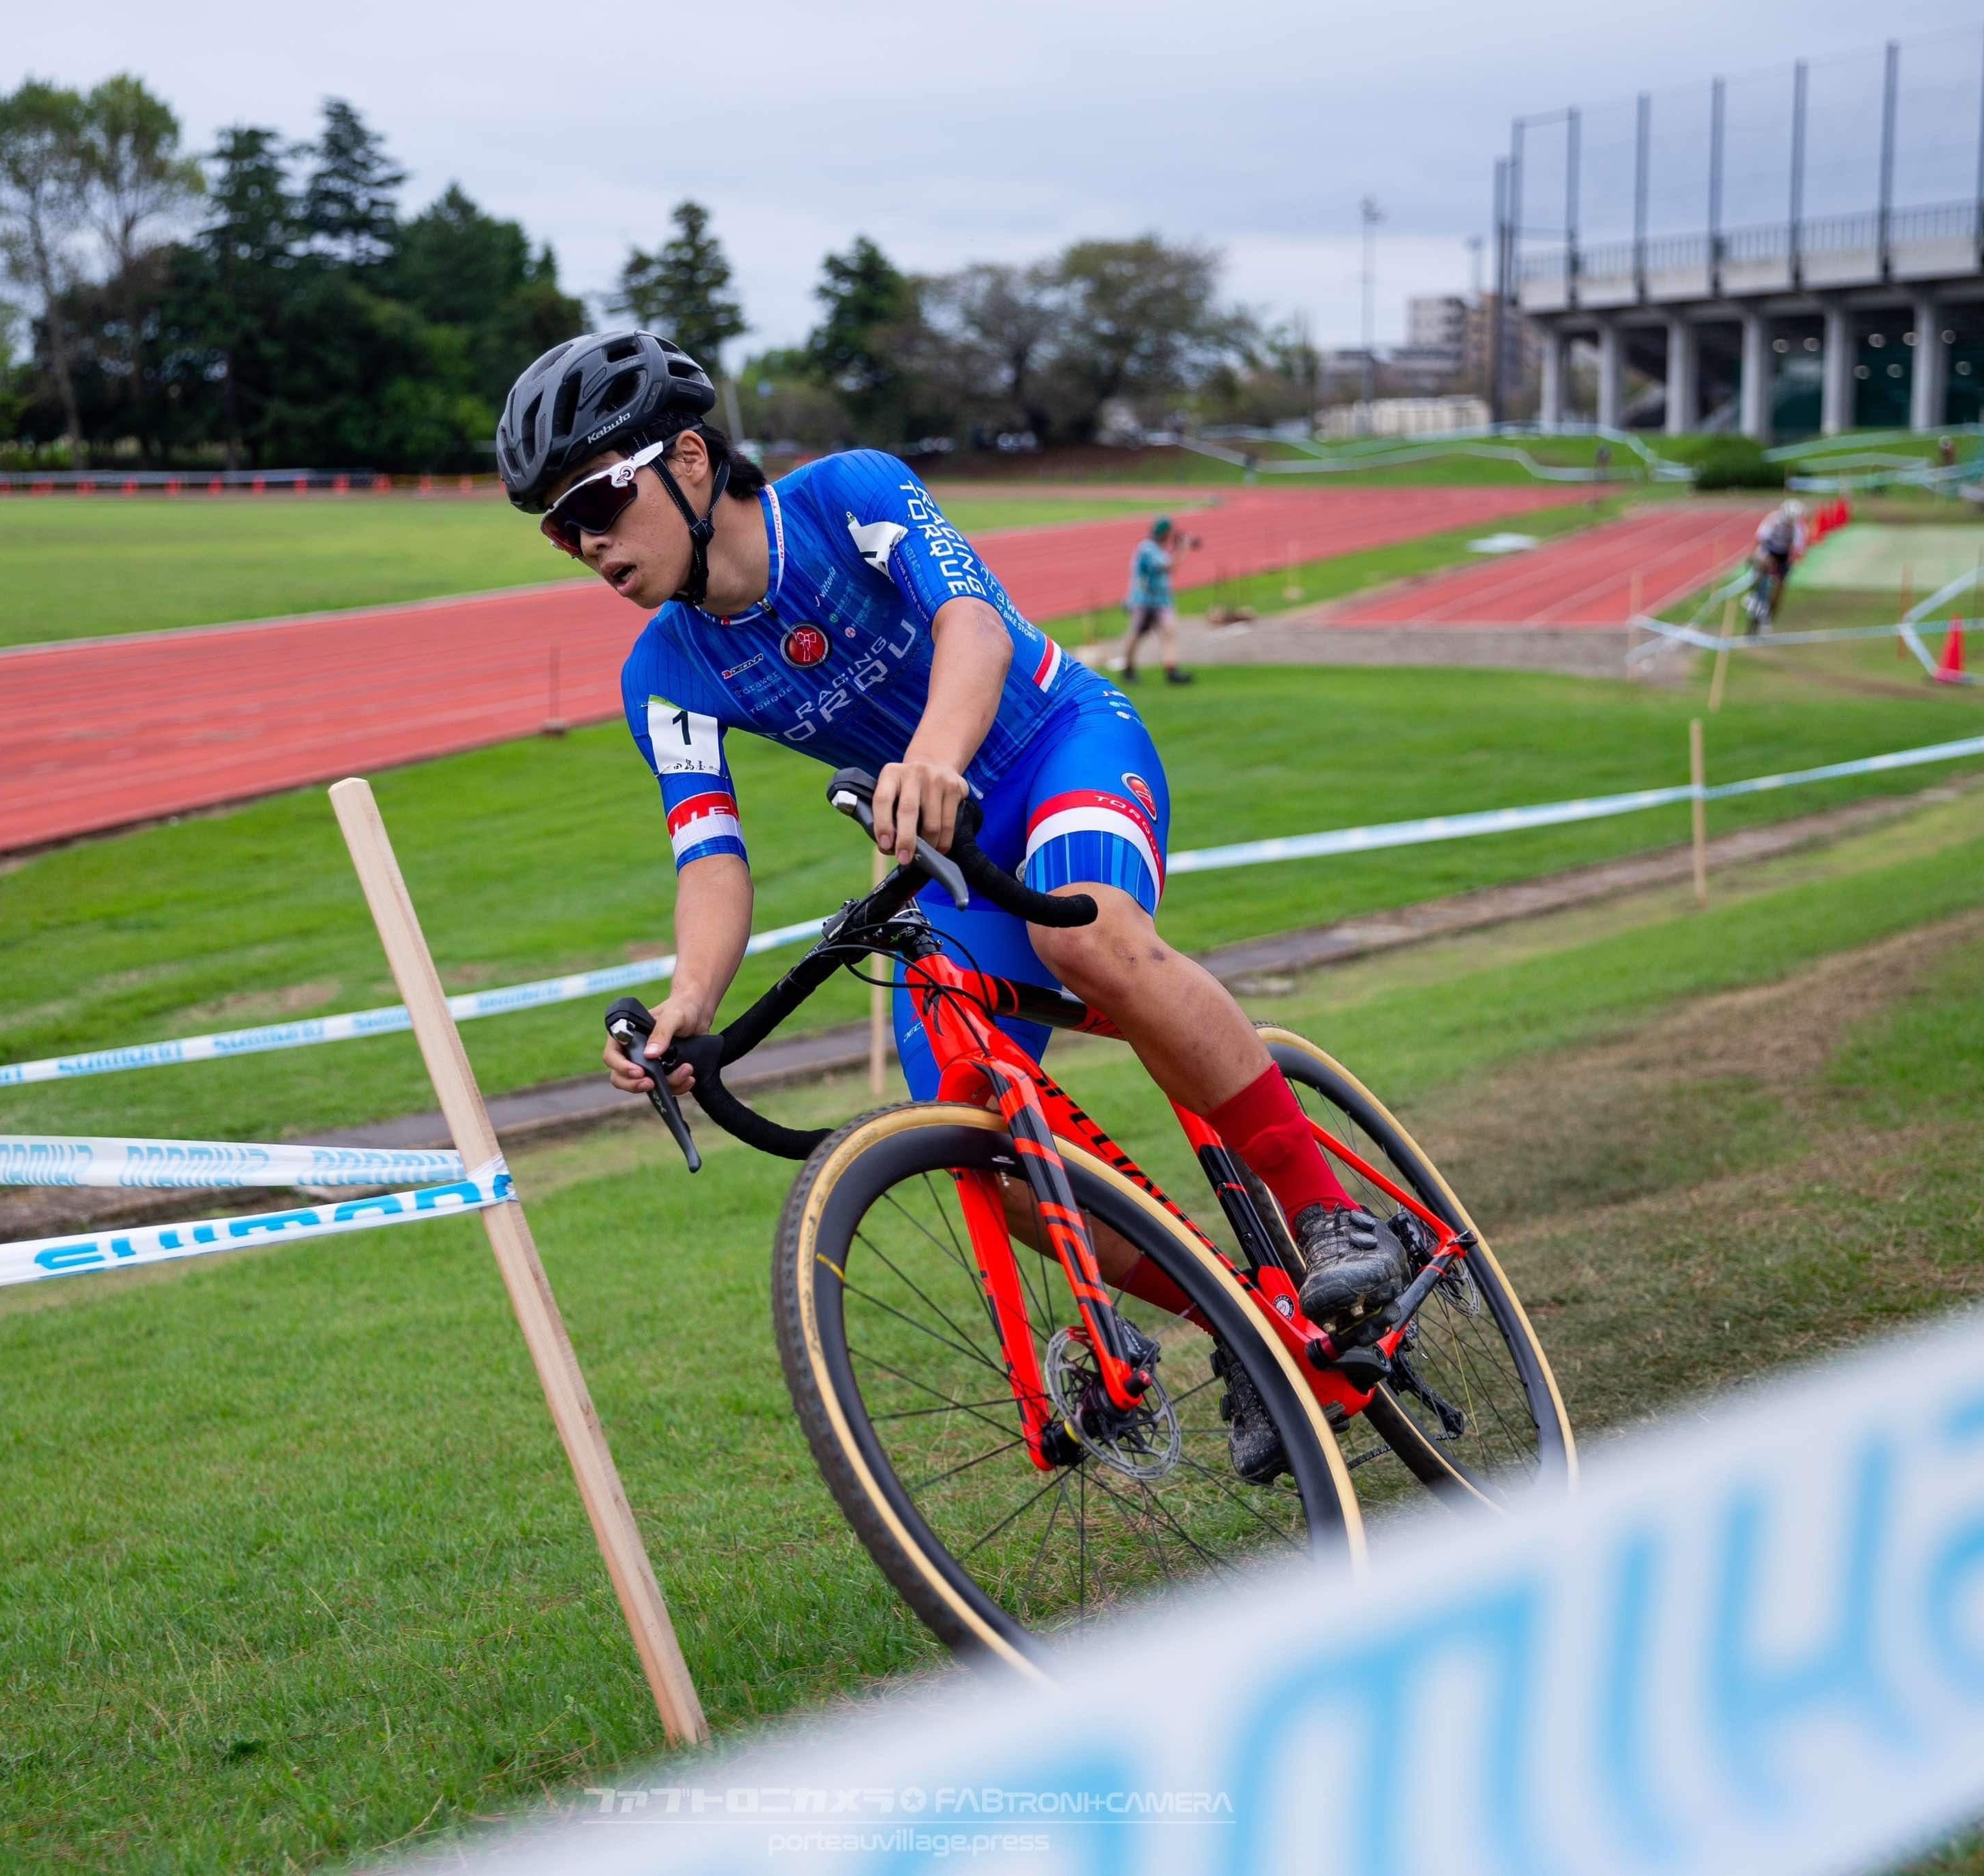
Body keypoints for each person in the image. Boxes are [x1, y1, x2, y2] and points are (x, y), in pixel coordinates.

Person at [497, 330, 1413, 1479]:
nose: (582, 545)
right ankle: (1237, 1325)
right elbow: (709, 860)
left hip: (1054, 748)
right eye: (553, 526)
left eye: (593, 500)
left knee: (1091, 942)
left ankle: (1330, 1210)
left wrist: (933, 756)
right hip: (940, 836)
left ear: (686, 462)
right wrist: (691, 1003)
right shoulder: (662, 673)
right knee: (983, 1144)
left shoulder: (848, 496)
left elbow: (969, 623)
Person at [1112, 515, 1196, 684]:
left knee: (1169, 633)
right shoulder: (1147, 549)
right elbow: (1168, 566)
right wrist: (1183, 548)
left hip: (1161, 601)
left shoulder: (1157, 549)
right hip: (1145, 601)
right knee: (1137, 634)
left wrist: (1178, 549)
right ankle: (1128, 668)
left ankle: (1171, 670)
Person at [1750, 498, 1803, 627]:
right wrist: (1759, 557)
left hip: (1783, 555)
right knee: (1761, 572)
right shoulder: (1772, 520)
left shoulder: (1797, 528)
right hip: (1768, 551)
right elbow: (1759, 540)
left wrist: (1787, 565)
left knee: (1780, 587)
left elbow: (1797, 550)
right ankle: (1756, 594)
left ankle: (1771, 613)